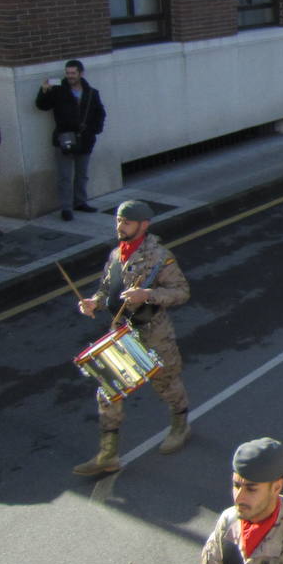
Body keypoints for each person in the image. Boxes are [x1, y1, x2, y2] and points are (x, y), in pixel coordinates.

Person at [73, 199, 192, 475]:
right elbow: (107, 291)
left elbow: (181, 291)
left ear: (143, 225)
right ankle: (108, 453)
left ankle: (180, 425)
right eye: (118, 221)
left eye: (126, 222)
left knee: (166, 384)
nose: (120, 226)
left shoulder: (160, 257)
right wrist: (94, 302)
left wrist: (148, 295)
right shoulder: (117, 255)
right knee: (109, 392)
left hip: (153, 333)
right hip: (122, 336)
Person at [35, 59, 105, 221]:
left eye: (73, 73)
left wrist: (94, 130)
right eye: (67, 73)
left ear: (81, 73)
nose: (70, 76)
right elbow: (42, 105)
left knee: (82, 174)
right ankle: (66, 208)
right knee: (64, 176)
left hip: (85, 139)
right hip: (64, 137)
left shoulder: (91, 92)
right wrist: (44, 90)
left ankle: (80, 202)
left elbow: (100, 113)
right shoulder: (58, 90)